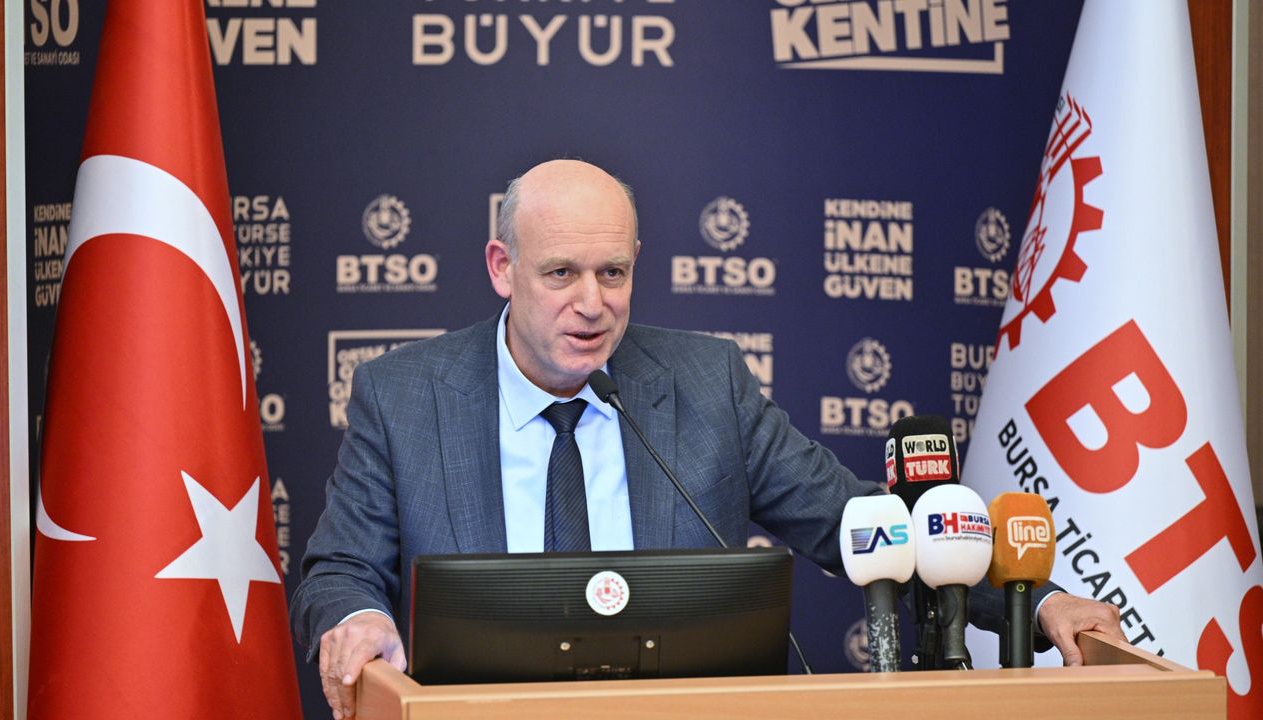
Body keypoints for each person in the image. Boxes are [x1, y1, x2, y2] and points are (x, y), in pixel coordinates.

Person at [290, 159, 1126, 720]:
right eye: (561, 274)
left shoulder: (705, 384)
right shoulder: (404, 396)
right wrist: (359, 619)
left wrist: (1039, 603)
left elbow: (862, 524)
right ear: (502, 268)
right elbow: (339, 568)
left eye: (613, 273)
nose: (593, 304)